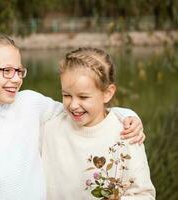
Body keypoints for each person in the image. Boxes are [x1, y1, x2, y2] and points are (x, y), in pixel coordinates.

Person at [0, 34, 144, 200]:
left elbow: (80, 110)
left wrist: (126, 115)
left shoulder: (29, 104)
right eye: (6, 70)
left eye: (19, 70)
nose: (16, 79)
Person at [41, 47, 155, 200]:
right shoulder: (49, 128)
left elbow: (143, 195)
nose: (73, 105)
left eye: (83, 97)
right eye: (66, 95)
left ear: (107, 93)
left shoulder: (127, 133)